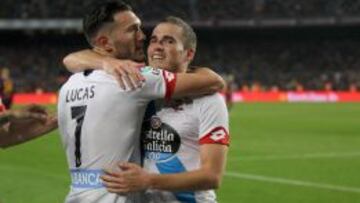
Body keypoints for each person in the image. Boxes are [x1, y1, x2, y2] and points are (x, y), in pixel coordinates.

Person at [58, 2, 224, 203]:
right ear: (105, 42)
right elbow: (215, 81)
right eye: (133, 30)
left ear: (188, 53)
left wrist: (150, 181)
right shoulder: (137, 80)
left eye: (169, 41)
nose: (144, 38)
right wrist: (107, 62)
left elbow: (69, 60)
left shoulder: (69, 85)